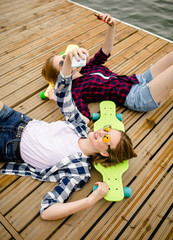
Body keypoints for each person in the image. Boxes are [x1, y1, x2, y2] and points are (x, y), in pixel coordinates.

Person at [0, 48, 137, 220]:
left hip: (9, 145)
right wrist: (69, 61)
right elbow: (63, 95)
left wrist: (90, 200)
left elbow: (47, 211)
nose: (102, 131)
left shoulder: (79, 171)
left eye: (107, 138)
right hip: (19, 120)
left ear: (104, 152)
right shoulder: (80, 126)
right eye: (107, 129)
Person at [42, 13, 173, 120]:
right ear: (60, 75)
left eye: (64, 57)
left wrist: (112, 26)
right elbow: (84, 119)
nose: (67, 60)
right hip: (137, 97)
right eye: (62, 63)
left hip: (138, 80)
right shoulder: (76, 91)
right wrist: (60, 100)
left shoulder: (88, 67)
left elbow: (105, 50)